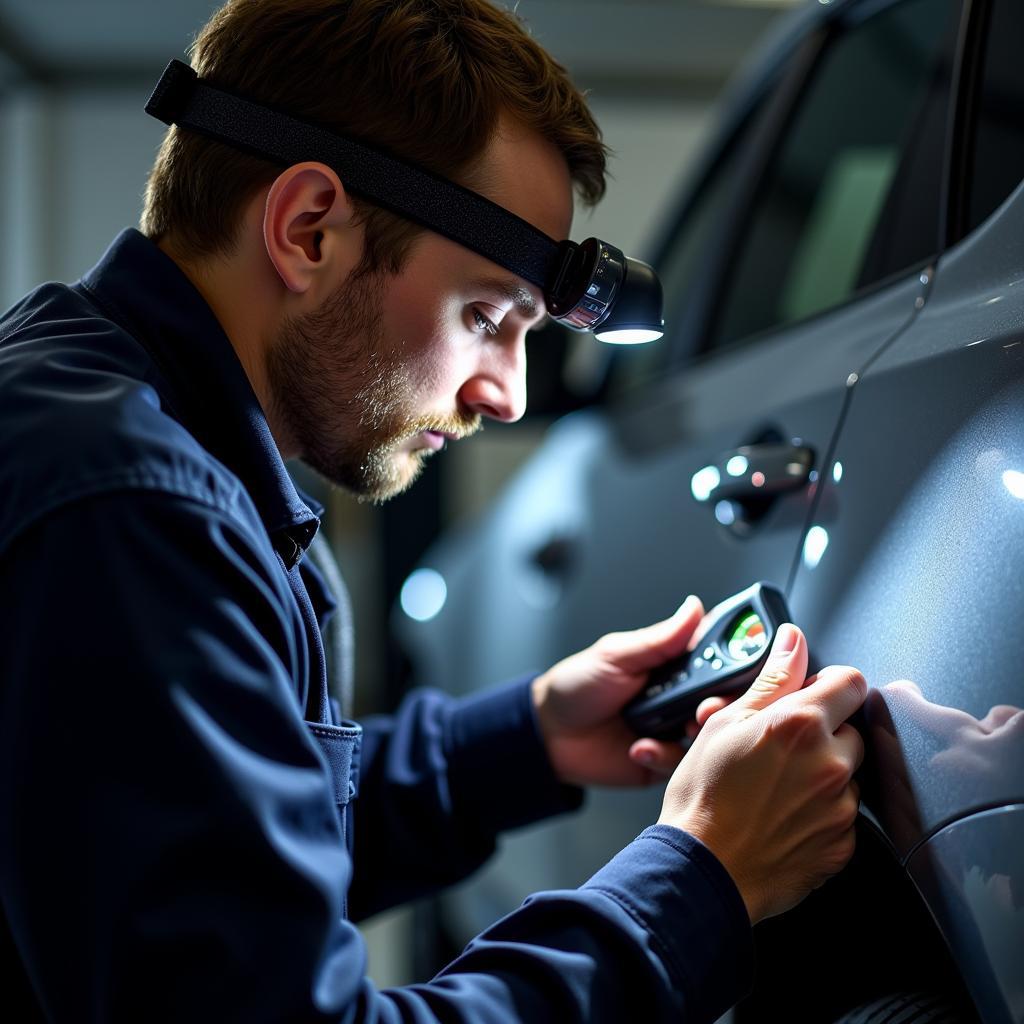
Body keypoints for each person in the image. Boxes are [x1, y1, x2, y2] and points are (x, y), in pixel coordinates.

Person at [0, 1, 866, 1021]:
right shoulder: (131, 508)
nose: (509, 395)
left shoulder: (98, 411)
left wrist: (525, 740)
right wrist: (698, 882)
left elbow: (209, 843)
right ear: (307, 228)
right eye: (487, 317)